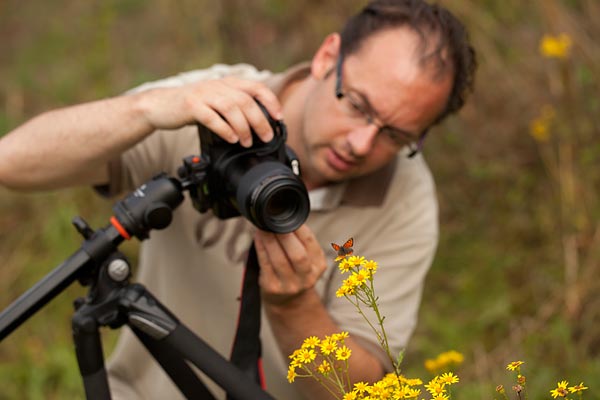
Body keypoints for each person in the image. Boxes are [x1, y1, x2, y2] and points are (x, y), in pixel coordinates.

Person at [0, 0, 476, 399]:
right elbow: (12, 161)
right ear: (329, 56)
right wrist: (148, 110)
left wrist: (294, 305)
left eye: (395, 134)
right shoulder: (217, 106)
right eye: (357, 105)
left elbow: (358, 392)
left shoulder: (404, 197)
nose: (360, 143)